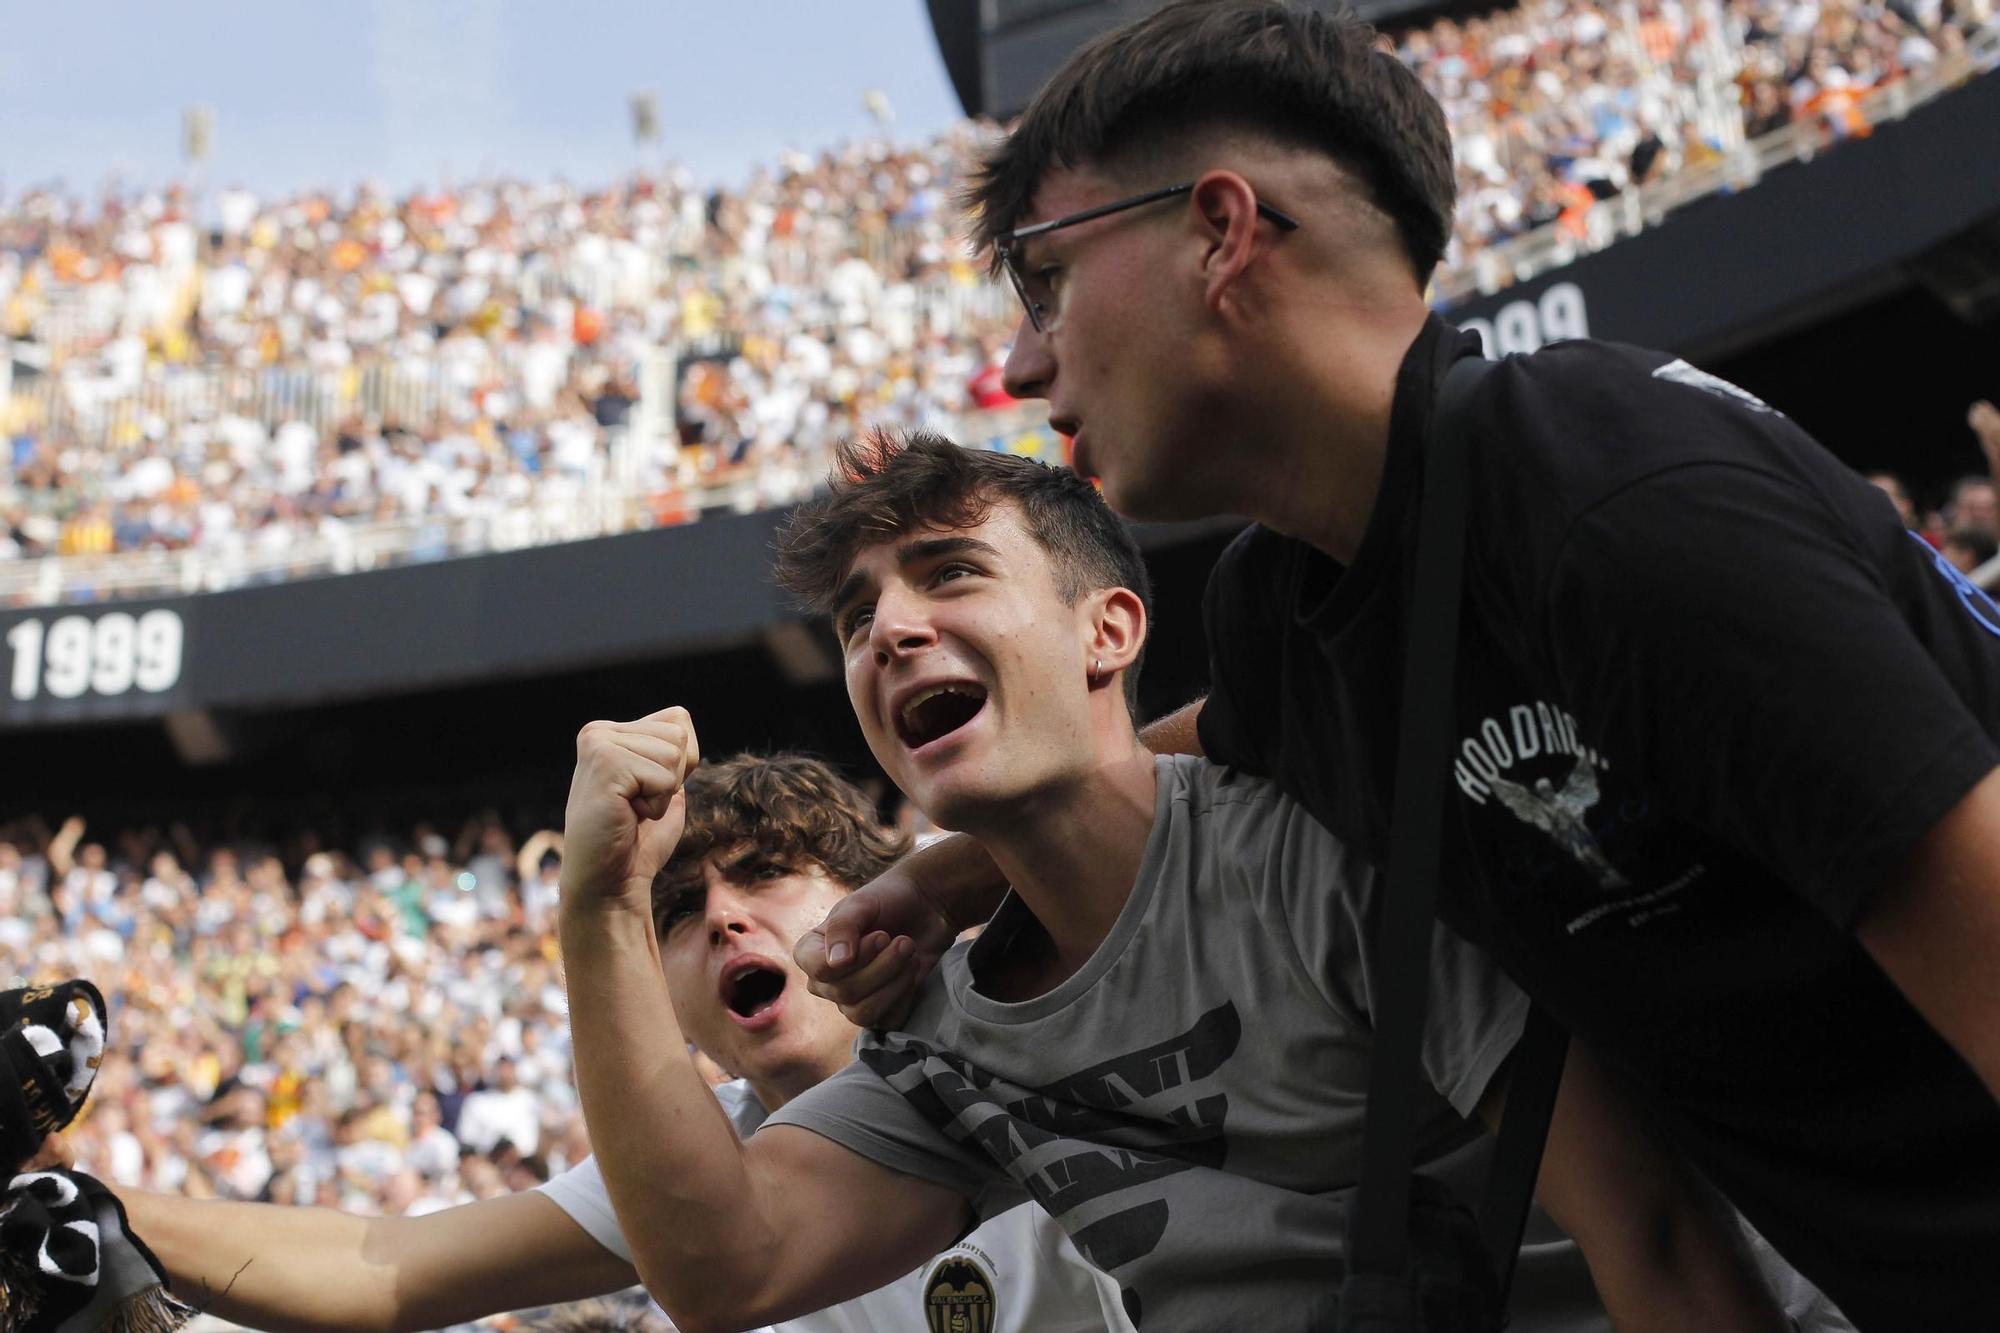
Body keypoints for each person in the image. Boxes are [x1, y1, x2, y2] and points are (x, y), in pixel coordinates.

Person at [796, 3, 2000, 1326]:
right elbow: (1201, 734)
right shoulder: (1297, 601)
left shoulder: (1612, 509)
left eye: (1047, 287)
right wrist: (939, 875)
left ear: (1219, 231)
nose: (1020, 364)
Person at [562, 433, 1816, 1331]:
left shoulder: (1309, 852)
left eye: (950, 574)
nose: (887, 629)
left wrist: (944, 875)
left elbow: (1653, 1238)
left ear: (1108, 630)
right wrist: (605, 908)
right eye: (854, 618)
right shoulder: (935, 1042)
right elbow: (724, 1271)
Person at [70, 755, 1126, 1333]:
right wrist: (78, 1197)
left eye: (763, 874)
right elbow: (386, 1266)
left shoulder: (1032, 1023)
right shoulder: (700, 1156)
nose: (720, 917)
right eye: (675, 910)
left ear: (872, 898)